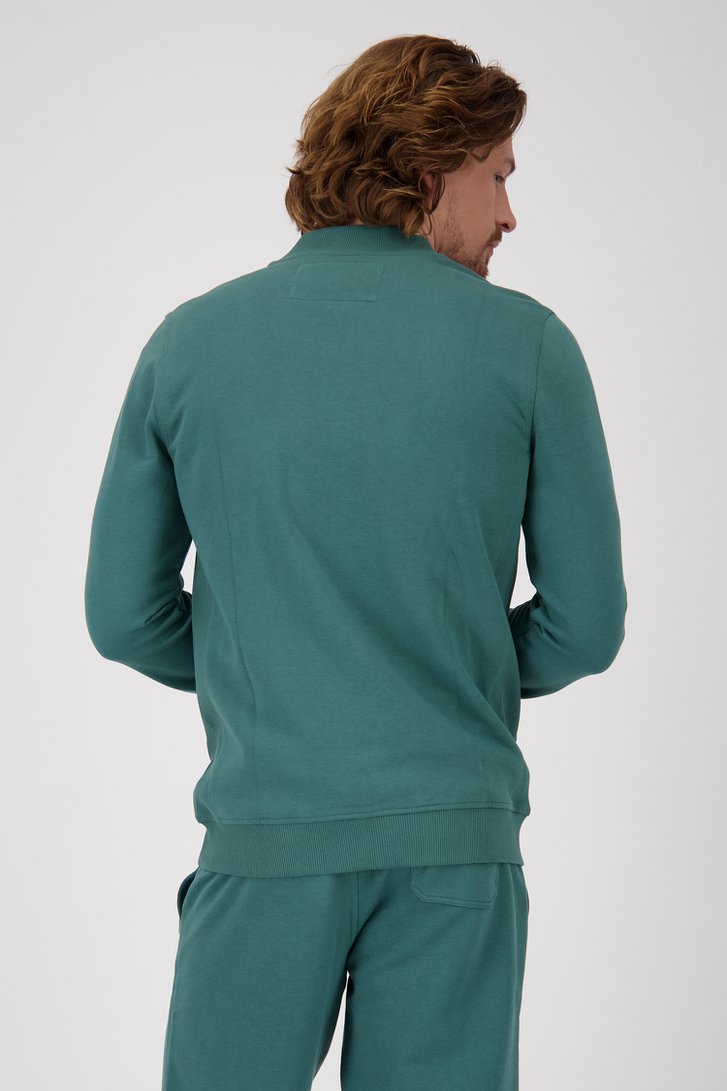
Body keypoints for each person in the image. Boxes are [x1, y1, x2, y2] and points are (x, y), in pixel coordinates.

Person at [84, 32, 627, 1091]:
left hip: (265, 838)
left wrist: (285, 664)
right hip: (454, 849)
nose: (509, 214)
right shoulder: (529, 345)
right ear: (430, 170)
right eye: (498, 176)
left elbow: (122, 614)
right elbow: (586, 624)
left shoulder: (190, 343)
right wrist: (442, 664)